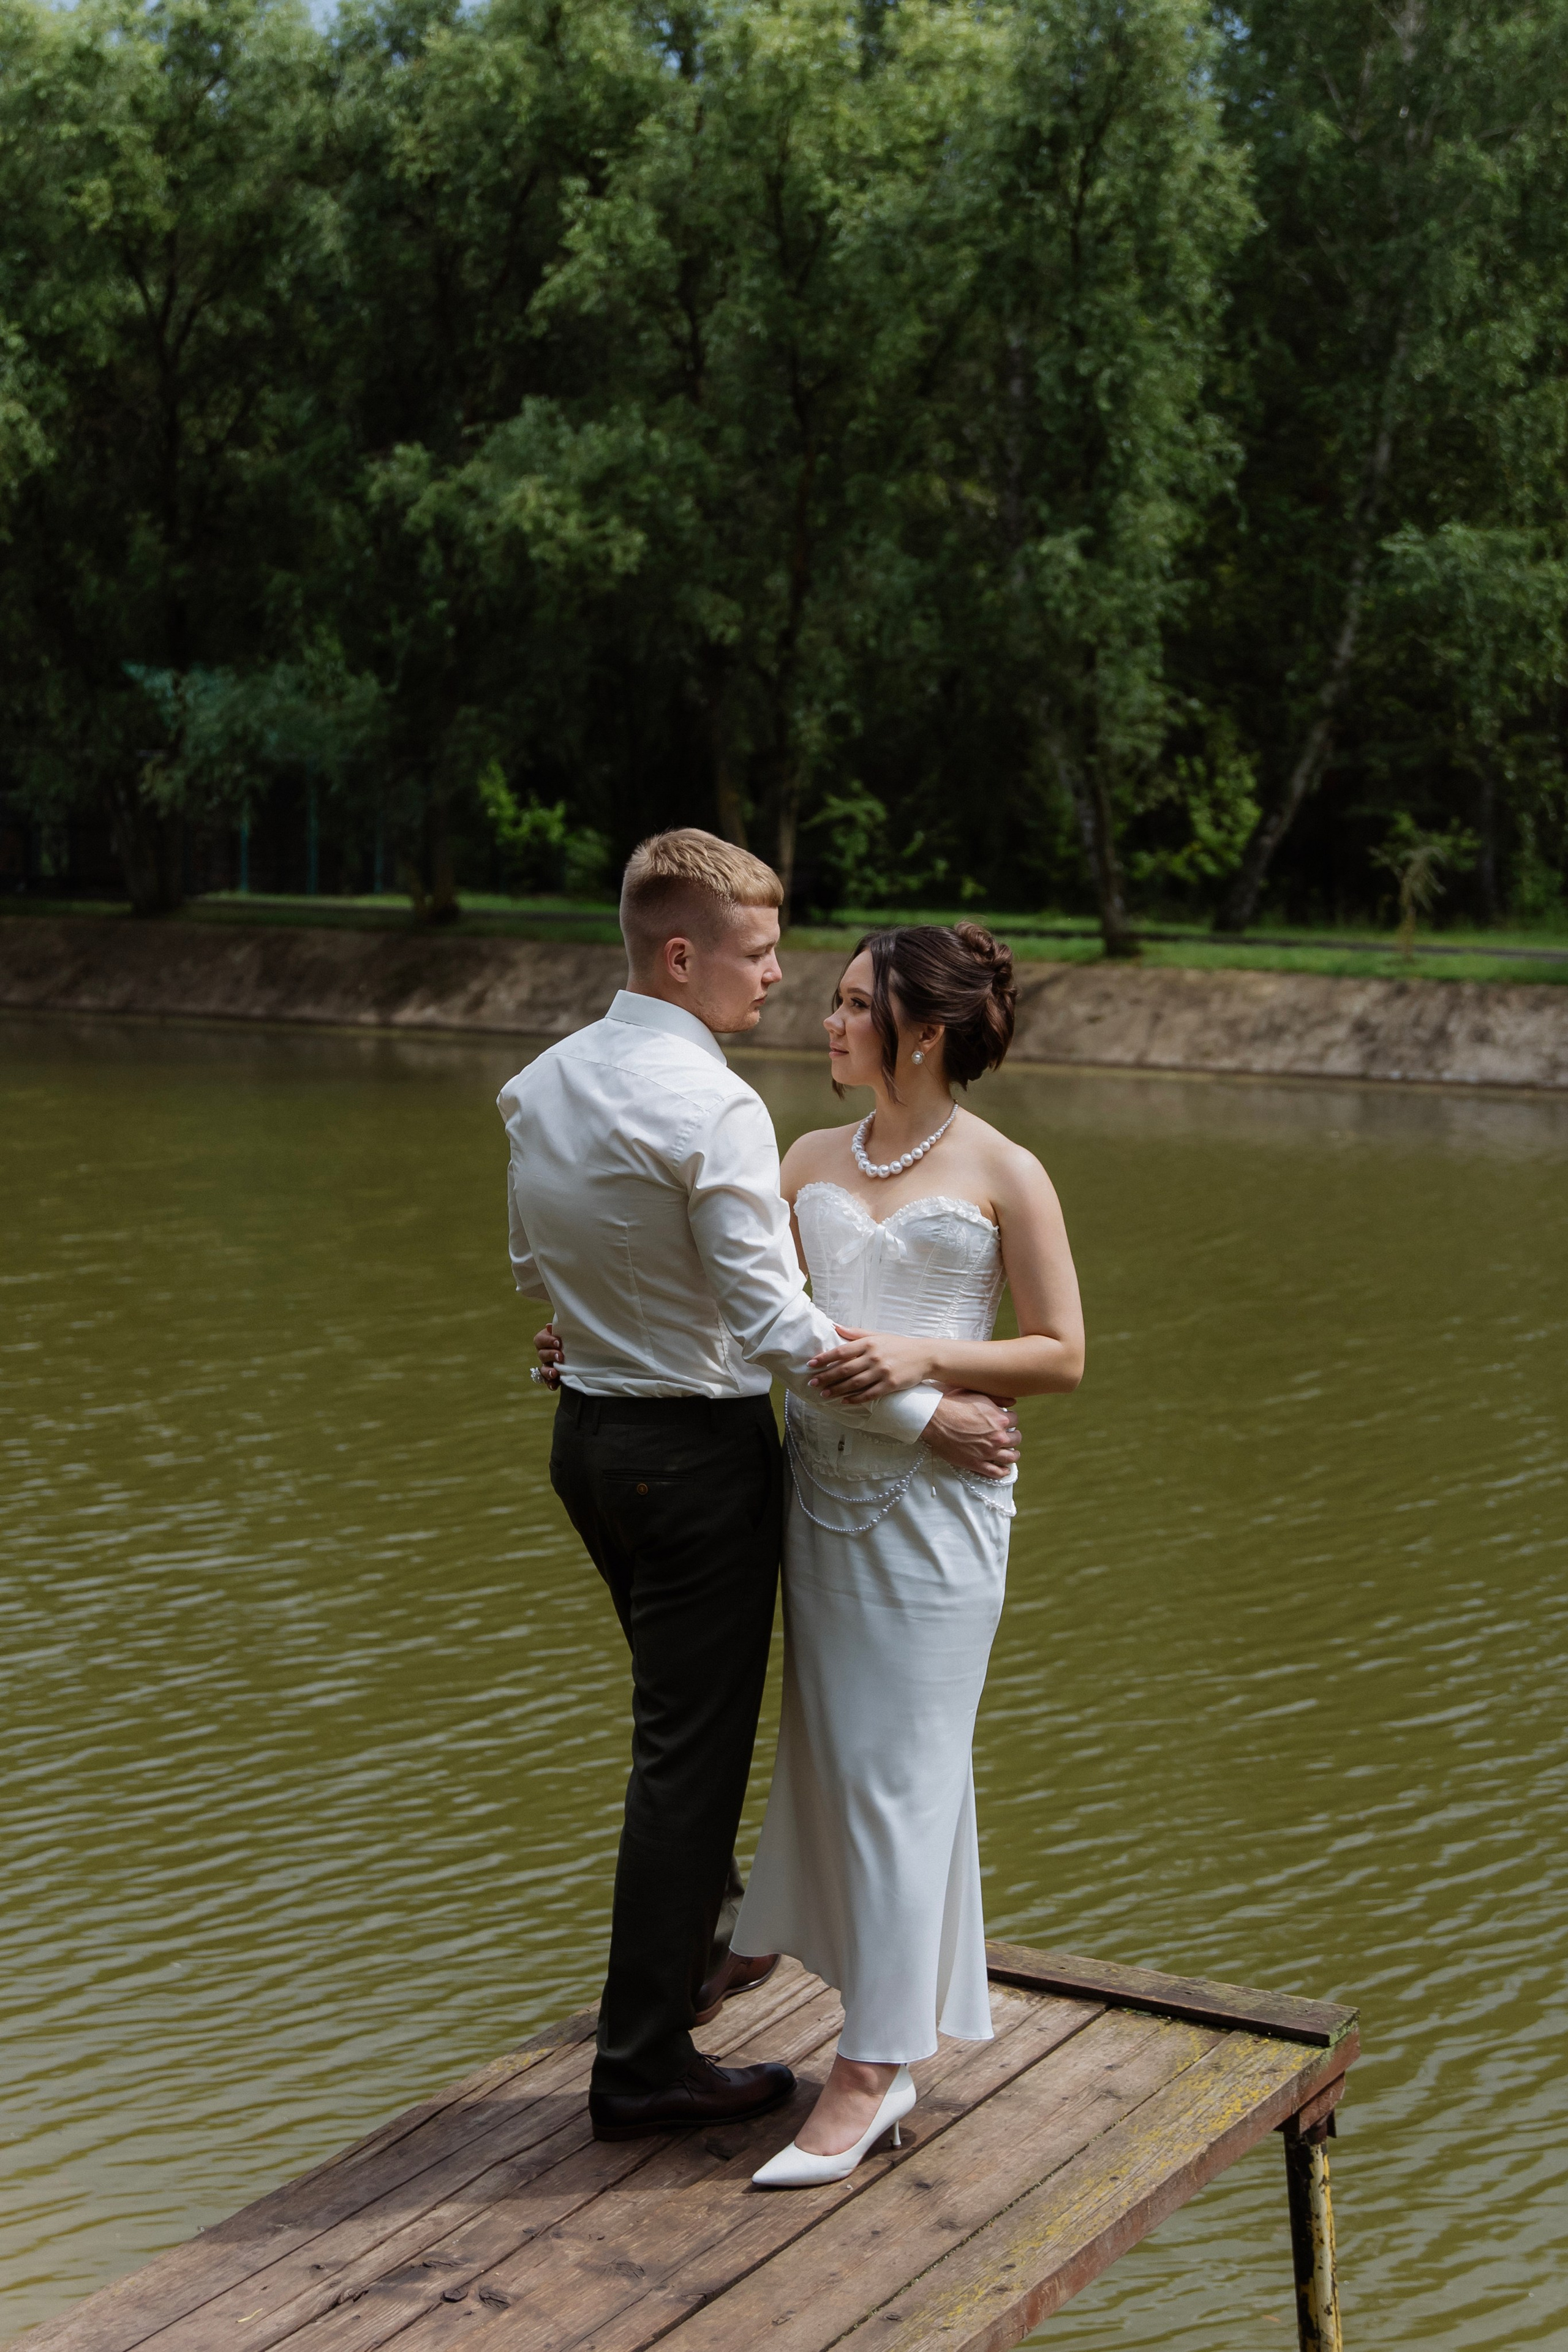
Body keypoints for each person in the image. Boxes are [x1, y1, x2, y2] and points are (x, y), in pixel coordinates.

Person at [499, 834, 1020, 2143]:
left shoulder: (539, 1082)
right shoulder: (719, 1107)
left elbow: (537, 1270)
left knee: (677, 1737)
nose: (779, 978)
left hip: (589, 1448)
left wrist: (585, 1338)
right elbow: (779, 1324)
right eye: (760, 953)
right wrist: (928, 1414)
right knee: (687, 1761)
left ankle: (714, 1947)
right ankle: (643, 2062)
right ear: (682, 957)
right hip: (692, 1462)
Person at [733, 922, 1085, 2187]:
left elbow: (1060, 1353)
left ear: (920, 1033)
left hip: (939, 1521)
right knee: (847, 1761)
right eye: (830, 1001)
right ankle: (780, 1952)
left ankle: (873, 2066)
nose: (826, 1022)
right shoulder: (803, 1158)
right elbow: (751, 1320)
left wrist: (924, 1357)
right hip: (817, 1502)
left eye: (849, 1004)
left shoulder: (1007, 1172)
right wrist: (590, 1342)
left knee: (903, 1775)